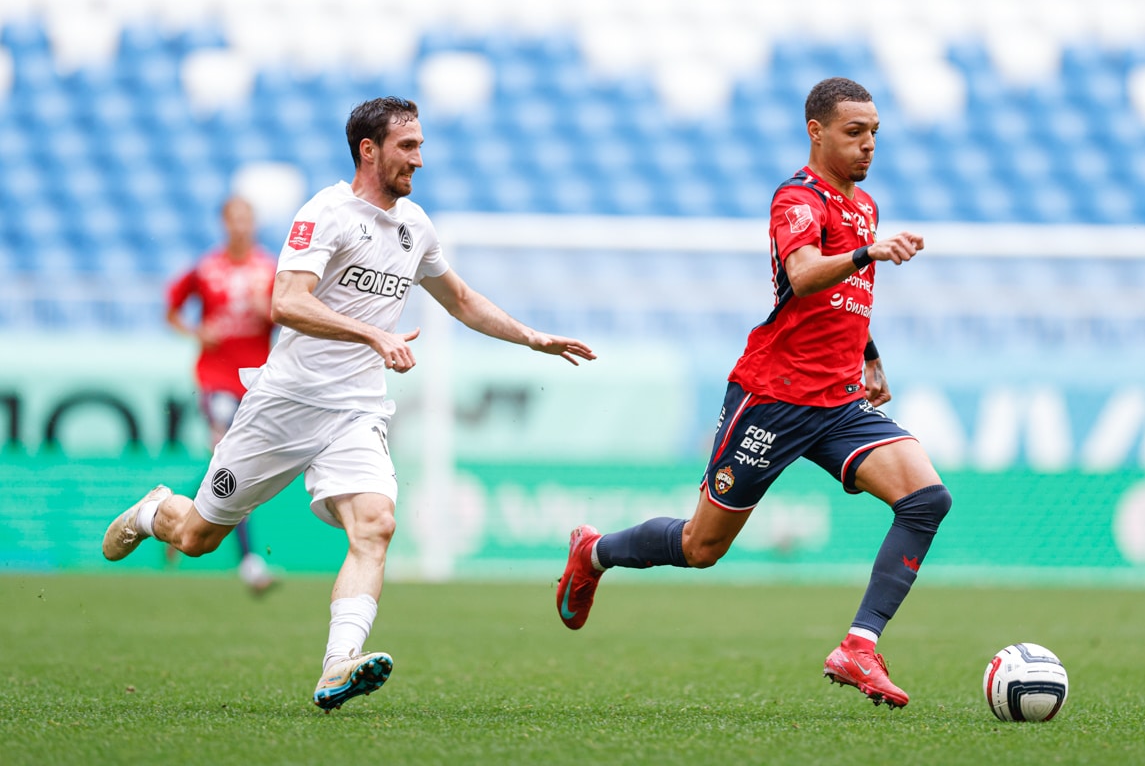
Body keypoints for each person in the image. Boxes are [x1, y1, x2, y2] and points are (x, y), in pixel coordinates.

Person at [103, 96, 596, 712]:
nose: (420, 157)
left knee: (376, 524)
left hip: (356, 409)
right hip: (284, 403)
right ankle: (154, 513)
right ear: (370, 149)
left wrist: (531, 336)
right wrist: (372, 333)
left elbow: (462, 299)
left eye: (420, 144)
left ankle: (338, 664)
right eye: (408, 146)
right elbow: (286, 302)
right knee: (200, 535)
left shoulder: (417, 227)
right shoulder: (326, 213)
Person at [554, 77, 950, 709]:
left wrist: (870, 356)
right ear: (816, 131)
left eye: (875, 132)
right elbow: (803, 275)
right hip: (773, 395)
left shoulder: (865, 206)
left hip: (841, 402)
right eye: (855, 132)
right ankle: (594, 551)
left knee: (927, 498)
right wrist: (868, 252)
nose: (869, 144)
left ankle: (859, 645)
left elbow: (847, 300)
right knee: (700, 547)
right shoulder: (797, 197)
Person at [164, 195, 278, 594]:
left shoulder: (270, 269)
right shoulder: (207, 269)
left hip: (257, 380)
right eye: (234, 219)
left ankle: (170, 511)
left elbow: (291, 312)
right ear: (224, 223)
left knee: (232, 462)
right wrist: (197, 332)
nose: (240, 226)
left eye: (247, 218)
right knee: (231, 457)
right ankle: (249, 562)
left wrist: (273, 312)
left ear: (254, 224)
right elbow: (172, 306)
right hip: (215, 378)